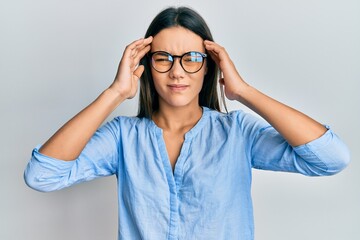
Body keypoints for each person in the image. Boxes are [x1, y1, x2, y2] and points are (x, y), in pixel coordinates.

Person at [24, 6, 350, 240]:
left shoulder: (237, 133)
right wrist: (115, 92)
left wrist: (243, 91)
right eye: (163, 58)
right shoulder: (123, 137)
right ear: (147, 65)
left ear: (209, 66)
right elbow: (42, 175)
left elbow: (331, 159)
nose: (177, 72)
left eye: (191, 59)